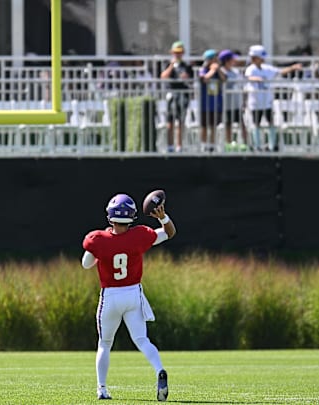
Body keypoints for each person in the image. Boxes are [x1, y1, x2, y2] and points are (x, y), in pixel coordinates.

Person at [81, 193, 177, 401]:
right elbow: (169, 233)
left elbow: (86, 264)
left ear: (110, 216)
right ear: (132, 216)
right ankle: (159, 369)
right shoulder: (140, 235)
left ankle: (102, 389)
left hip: (111, 296)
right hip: (133, 294)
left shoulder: (98, 239)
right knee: (142, 339)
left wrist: (104, 252)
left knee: (105, 343)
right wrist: (162, 216)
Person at [244, 44, 302, 151]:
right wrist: (257, 78)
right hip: (256, 103)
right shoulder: (251, 69)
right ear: (255, 58)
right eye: (261, 57)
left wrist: (293, 67)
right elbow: (249, 77)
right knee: (256, 124)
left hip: (267, 102)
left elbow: (280, 71)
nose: (263, 59)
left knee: (271, 122)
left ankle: (272, 145)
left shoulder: (267, 68)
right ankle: (257, 146)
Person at [160, 41, 194, 152]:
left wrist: (186, 77)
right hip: (172, 94)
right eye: (175, 52)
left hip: (183, 95)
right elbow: (163, 76)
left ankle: (179, 146)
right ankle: (170, 146)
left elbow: (191, 80)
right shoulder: (167, 63)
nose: (177, 55)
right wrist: (171, 66)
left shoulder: (187, 66)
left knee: (181, 121)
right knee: (170, 121)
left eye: (179, 52)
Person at [219, 49, 249, 150]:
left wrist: (244, 101)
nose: (235, 61)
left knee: (242, 124)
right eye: (232, 59)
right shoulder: (221, 71)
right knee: (228, 124)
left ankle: (246, 143)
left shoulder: (236, 71)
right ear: (227, 60)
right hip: (227, 104)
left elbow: (242, 85)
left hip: (237, 103)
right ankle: (229, 144)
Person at [198, 49, 225, 152]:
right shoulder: (203, 70)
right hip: (205, 104)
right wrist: (212, 70)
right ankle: (204, 144)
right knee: (204, 126)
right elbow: (204, 79)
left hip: (216, 104)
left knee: (213, 126)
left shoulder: (219, 71)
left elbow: (224, 79)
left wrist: (218, 70)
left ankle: (212, 145)